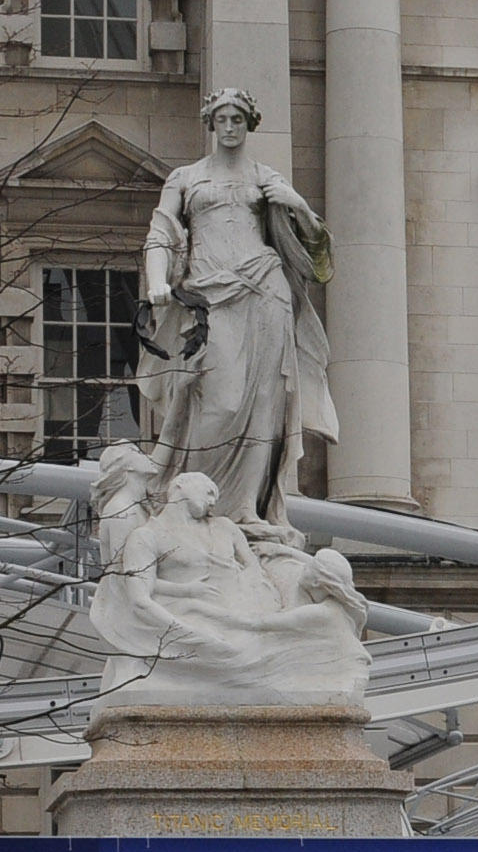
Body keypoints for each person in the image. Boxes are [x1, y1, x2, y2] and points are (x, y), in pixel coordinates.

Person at [142, 87, 336, 525]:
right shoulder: (185, 178)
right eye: (222, 119)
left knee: (264, 406)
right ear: (210, 122)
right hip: (209, 297)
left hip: (265, 291)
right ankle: (198, 506)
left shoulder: (266, 179)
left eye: (238, 119)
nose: (230, 127)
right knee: (222, 402)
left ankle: (248, 509)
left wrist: (299, 206)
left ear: (250, 123)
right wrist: (157, 279)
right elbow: (161, 232)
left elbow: (316, 252)